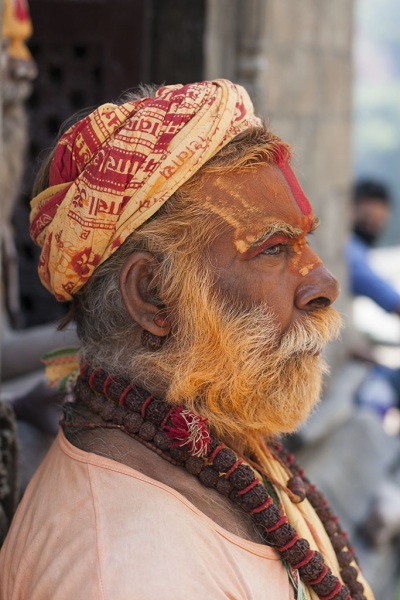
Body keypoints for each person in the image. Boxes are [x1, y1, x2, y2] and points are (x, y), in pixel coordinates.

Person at [0, 80, 373, 599]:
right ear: (153, 295)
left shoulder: (216, 439)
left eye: (305, 242)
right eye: (273, 249)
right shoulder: (125, 572)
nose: (323, 284)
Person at [346, 180, 400, 417]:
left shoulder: (358, 249)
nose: (372, 226)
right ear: (351, 208)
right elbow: (378, 289)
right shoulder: (349, 248)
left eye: (378, 222)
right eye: (368, 218)